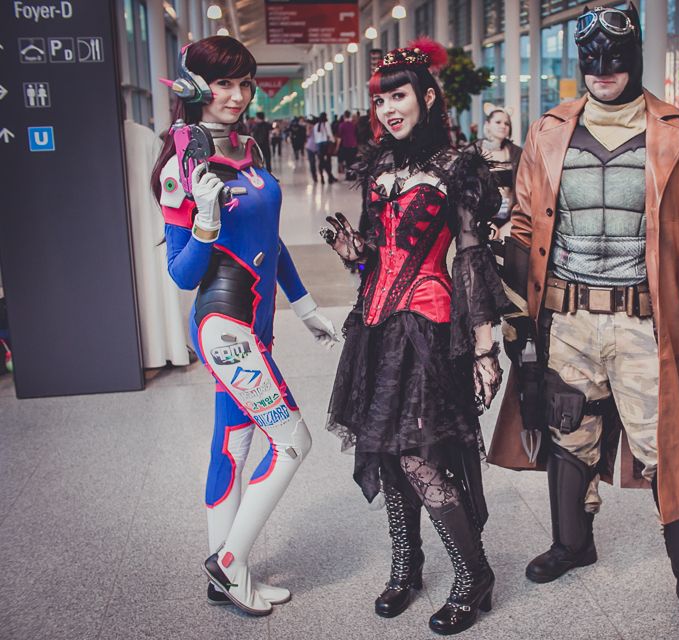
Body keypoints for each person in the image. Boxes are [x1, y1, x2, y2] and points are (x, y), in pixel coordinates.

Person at [487, 5, 679, 637]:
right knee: (568, 429)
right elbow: (524, 226)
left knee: (667, 447)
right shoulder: (549, 131)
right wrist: (516, 318)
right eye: (591, 59)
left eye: (616, 57)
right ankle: (573, 544)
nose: (602, 70)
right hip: (567, 318)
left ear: (636, 58)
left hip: (642, 322)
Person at [324, 38, 509, 636]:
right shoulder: (379, 165)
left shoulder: (457, 167)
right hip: (376, 327)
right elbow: (376, 254)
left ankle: (473, 574)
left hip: (427, 327)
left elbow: (472, 259)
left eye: (398, 96)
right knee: (384, 448)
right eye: (381, 101)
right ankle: (407, 565)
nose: (388, 110)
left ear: (428, 97)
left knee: (417, 454)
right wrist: (353, 252)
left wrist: (485, 346)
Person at [151, 36, 339, 616]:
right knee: (292, 440)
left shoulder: (247, 147)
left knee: (234, 442)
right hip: (225, 327)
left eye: (243, 83)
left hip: (257, 325)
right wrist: (204, 225)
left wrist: (304, 306)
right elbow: (182, 274)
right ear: (195, 87)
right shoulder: (182, 163)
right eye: (223, 83)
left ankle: (222, 573)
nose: (236, 95)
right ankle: (229, 564)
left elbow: (271, 241)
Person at [473, 104, 523, 237]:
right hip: (482, 219)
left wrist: (517, 218)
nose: (503, 126)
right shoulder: (475, 151)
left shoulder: (516, 153)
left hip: (510, 218)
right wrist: (482, 221)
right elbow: (468, 191)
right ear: (487, 124)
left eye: (507, 123)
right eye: (498, 122)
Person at [313, 112, 338, 184]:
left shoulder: (316, 125)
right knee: (328, 161)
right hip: (326, 145)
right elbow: (330, 134)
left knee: (321, 162)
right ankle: (330, 178)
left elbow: (315, 137)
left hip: (319, 145)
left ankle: (322, 178)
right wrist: (334, 141)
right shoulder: (326, 124)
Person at [337, 110, 358, 178]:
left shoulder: (342, 125)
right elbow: (356, 134)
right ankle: (353, 175)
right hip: (354, 145)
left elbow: (340, 137)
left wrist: (337, 147)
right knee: (353, 161)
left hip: (346, 145)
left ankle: (348, 176)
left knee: (348, 162)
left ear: (344, 116)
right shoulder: (353, 124)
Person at [305, 116, 319, 183]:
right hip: (317, 146)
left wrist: (308, 128)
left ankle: (314, 177)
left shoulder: (309, 127)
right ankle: (319, 175)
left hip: (310, 146)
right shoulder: (318, 126)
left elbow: (308, 134)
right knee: (319, 162)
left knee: (312, 163)